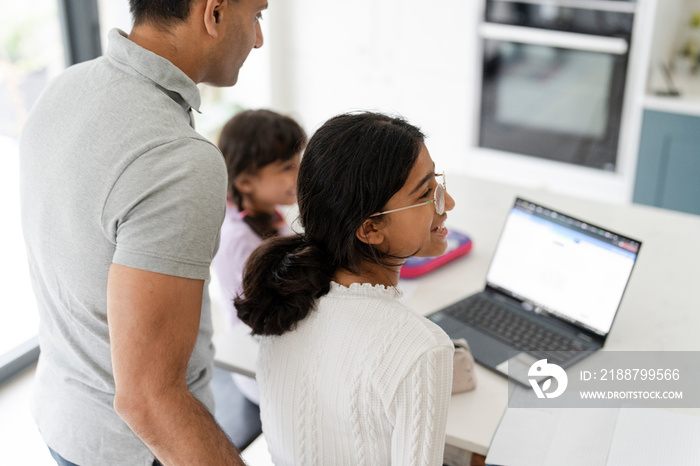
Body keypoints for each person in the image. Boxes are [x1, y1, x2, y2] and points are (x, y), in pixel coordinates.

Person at [18, 0, 267, 464]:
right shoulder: (176, 157)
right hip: (138, 447)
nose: (258, 38)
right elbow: (149, 401)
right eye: (257, 16)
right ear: (213, 13)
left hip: (63, 414)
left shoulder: (65, 87)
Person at [236, 111, 457, 465]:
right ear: (370, 229)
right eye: (427, 193)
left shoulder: (281, 301)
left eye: (438, 185)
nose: (447, 204)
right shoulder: (423, 347)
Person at [212, 109, 306, 404]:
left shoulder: (265, 214)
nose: (300, 173)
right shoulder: (237, 238)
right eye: (288, 167)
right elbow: (268, 311)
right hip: (260, 370)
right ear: (246, 182)